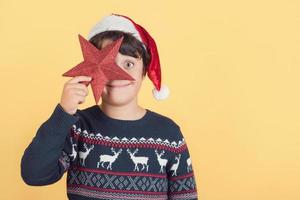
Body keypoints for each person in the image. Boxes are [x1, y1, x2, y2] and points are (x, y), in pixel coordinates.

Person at [21, 13, 198, 200]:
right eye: (107, 65)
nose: (117, 74)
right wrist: (63, 113)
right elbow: (34, 174)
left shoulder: (168, 134)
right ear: (89, 70)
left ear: (144, 71)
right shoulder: (76, 128)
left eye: (128, 63)